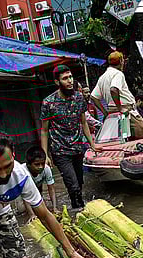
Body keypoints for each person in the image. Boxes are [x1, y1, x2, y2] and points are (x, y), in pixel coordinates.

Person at [41, 64, 100, 209]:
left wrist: (92, 144)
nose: (70, 81)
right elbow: (44, 130)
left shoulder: (79, 98)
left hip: (78, 147)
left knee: (79, 183)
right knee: (72, 185)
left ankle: (78, 208)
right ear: (57, 82)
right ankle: (80, 211)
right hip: (60, 151)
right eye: (65, 78)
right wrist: (45, 155)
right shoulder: (48, 103)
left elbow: (84, 122)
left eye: (71, 77)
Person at [91, 51, 143, 140]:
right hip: (125, 111)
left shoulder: (103, 77)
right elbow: (114, 89)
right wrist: (120, 107)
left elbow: (94, 97)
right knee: (141, 135)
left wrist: (105, 112)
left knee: (122, 139)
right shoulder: (118, 74)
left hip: (112, 113)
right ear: (121, 61)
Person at [22, 146, 57, 220]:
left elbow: (51, 189)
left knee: (40, 207)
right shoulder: (23, 173)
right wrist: (32, 215)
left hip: (37, 187)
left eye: (42, 163)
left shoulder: (46, 169)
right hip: (21, 192)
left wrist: (55, 208)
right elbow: (25, 197)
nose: (41, 167)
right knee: (22, 211)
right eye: (37, 164)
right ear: (28, 164)